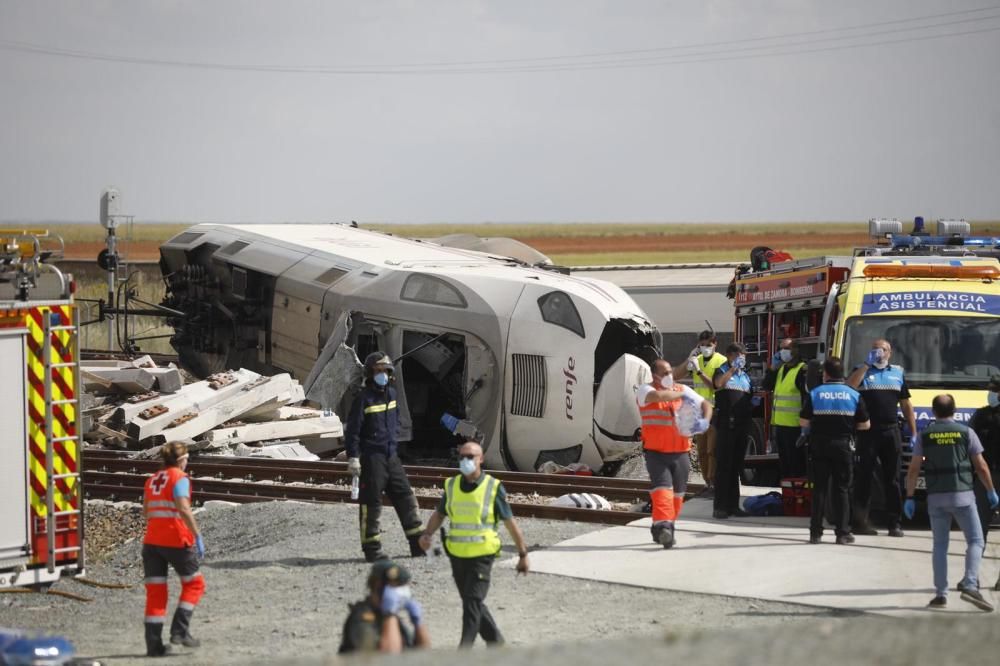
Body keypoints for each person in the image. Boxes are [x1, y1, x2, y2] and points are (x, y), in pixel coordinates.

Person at [417, 441, 529, 647]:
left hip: (482, 556)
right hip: (457, 555)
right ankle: (497, 644)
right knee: (472, 602)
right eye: (462, 457)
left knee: (471, 603)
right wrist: (427, 534)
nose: (465, 461)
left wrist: (523, 554)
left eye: (470, 457)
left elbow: (510, 523)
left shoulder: (493, 487)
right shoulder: (451, 485)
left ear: (481, 459)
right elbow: (440, 514)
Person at [903, 394, 1000, 611]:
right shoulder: (966, 432)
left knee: (939, 546)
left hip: (936, 498)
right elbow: (981, 466)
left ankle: (940, 594)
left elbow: (913, 469)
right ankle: (970, 583)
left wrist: (909, 497)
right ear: (954, 410)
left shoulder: (925, 435)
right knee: (976, 541)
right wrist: (991, 491)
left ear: (933, 411)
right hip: (963, 496)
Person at [345, 351, 424, 562]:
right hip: (372, 459)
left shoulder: (393, 394)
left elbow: (394, 422)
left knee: (406, 497)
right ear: (370, 373)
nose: (382, 374)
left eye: (385, 371)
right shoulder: (363, 399)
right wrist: (353, 457)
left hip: (391, 456)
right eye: (378, 371)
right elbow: (352, 431)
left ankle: (417, 544)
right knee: (371, 504)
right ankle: (372, 550)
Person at [636, 359, 712, 548]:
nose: (669, 376)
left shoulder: (681, 390)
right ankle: (665, 528)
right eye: (665, 373)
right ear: (654, 376)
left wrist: (705, 421)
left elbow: (707, 404)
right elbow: (658, 397)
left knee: (678, 496)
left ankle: (661, 527)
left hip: (681, 453)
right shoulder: (644, 390)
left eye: (671, 372)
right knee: (662, 490)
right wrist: (680, 393)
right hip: (656, 453)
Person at [846, 338, 917, 537]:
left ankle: (894, 523)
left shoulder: (897, 373)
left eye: (883, 350)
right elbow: (849, 387)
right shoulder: (862, 370)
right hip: (867, 431)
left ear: (890, 352)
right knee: (864, 478)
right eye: (876, 349)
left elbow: (906, 405)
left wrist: (914, 433)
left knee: (892, 479)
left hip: (891, 431)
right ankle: (860, 522)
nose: (879, 353)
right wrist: (866, 365)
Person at [141, 441, 205, 657]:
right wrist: (197, 535)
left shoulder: (152, 480)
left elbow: (146, 511)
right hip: (176, 539)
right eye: (186, 458)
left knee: (156, 593)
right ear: (181, 460)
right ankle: (179, 631)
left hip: (151, 542)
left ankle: (153, 645)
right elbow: (184, 508)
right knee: (194, 584)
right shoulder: (180, 478)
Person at [799, 357, 870, 545]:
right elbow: (865, 425)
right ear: (842, 373)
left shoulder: (815, 393)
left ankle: (815, 533)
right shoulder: (853, 394)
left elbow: (804, 422)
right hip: (844, 446)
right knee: (843, 489)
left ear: (826, 374)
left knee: (819, 489)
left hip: (819, 445)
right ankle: (842, 533)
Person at [338, 560, 431, 654]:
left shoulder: (392, 618)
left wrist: (418, 623)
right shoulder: (362, 618)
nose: (400, 593)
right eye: (395, 587)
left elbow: (423, 655)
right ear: (379, 587)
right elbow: (388, 658)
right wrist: (390, 613)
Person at [676, 330, 727, 494]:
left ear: (715, 344)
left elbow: (715, 385)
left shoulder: (721, 361)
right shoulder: (696, 360)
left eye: (709, 345)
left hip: (714, 411)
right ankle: (707, 484)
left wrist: (698, 371)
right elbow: (677, 375)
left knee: (712, 451)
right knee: (702, 452)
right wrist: (688, 360)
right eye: (702, 345)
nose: (705, 348)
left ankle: (714, 483)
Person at [712, 343, 754, 519]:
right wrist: (731, 369)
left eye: (744, 355)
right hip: (726, 425)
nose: (742, 357)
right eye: (739, 354)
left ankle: (733, 505)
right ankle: (720, 507)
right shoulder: (721, 370)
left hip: (741, 425)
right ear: (730, 355)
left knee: (736, 467)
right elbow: (717, 384)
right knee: (724, 467)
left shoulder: (745, 376)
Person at [970, 374, 1000, 590]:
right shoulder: (982, 415)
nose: (991, 394)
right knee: (978, 530)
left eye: (994, 390)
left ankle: (971, 578)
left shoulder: (981, 416)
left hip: (984, 477)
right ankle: (972, 577)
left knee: (978, 530)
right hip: (985, 476)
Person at [763, 338, 808, 479]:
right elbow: (767, 385)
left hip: (795, 427)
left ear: (795, 350)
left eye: (787, 348)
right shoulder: (781, 369)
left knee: (796, 465)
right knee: (784, 465)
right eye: (781, 348)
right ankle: (787, 496)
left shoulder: (802, 370)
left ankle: (797, 497)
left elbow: (807, 398)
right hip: (780, 425)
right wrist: (771, 368)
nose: (783, 352)